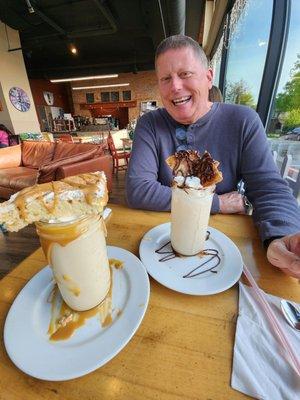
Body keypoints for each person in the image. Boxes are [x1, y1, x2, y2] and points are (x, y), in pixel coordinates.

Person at [126, 35, 300, 278]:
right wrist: (218, 203)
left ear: (208, 77)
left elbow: (268, 186)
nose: (175, 86)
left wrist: (281, 235)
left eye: (185, 74)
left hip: (218, 250)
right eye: (166, 78)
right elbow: (138, 190)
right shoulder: (150, 124)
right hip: (160, 246)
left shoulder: (243, 121)